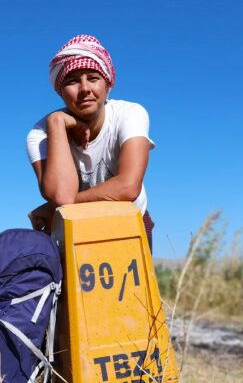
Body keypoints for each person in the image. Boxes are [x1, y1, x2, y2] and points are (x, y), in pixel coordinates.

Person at [25, 35, 156, 249]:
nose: (84, 88)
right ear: (61, 91)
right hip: (73, 230)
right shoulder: (40, 134)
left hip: (129, 224)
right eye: (72, 81)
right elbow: (62, 195)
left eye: (93, 78)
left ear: (107, 85)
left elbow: (128, 186)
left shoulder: (130, 114)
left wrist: (54, 208)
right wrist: (57, 123)